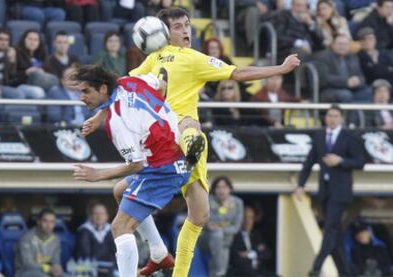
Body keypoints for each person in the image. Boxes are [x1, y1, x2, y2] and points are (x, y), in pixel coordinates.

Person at [85, 7, 300, 277]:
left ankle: (158, 252)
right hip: (179, 142)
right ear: (164, 32)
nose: (186, 30)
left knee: (121, 191)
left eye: (187, 24)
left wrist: (99, 115)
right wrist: (280, 68)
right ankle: (173, 265)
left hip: (158, 145)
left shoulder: (151, 60)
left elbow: (122, 87)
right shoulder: (191, 59)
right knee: (197, 208)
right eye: (178, 26)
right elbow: (239, 73)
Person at [71, 64, 190, 277]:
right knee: (119, 191)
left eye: (86, 91)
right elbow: (161, 86)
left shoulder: (118, 121)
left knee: (119, 227)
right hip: (177, 152)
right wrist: (100, 114)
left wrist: (97, 175)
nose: (81, 97)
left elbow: (137, 165)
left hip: (163, 169)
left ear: (103, 89)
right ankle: (159, 252)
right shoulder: (129, 81)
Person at [294, 105, 365, 276]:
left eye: (335, 115)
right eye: (329, 115)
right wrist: (301, 184)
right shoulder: (319, 137)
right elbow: (309, 162)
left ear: (341, 118)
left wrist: (341, 161)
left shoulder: (349, 137)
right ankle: (346, 272)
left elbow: (360, 162)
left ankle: (316, 267)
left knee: (330, 228)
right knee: (336, 233)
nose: (332, 119)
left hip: (341, 191)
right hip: (325, 191)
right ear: (325, 118)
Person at [314, 33, 372, 103]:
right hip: (329, 90)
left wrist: (358, 81)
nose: (342, 47)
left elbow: (361, 76)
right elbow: (325, 79)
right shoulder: (323, 57)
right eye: (340, 44)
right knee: (346, 95)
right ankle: (352, 114)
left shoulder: (353, 57)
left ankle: (363, 114)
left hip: (352, 89)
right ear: (333, 45)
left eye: (345, 44)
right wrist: (346, 82)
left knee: (369, 92)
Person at [205, 176, 244, 277]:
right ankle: (219, 269)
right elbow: (208, 224)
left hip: (226, 241)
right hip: (207, 240)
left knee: (217, 272)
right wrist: (222, 209)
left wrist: (220, 228)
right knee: (217, 235)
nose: (221, 190)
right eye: (218, 187)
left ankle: (219, 270)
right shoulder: (208, 200)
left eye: (224, 187)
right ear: (214, 189)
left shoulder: (238, 203)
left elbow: (236, 227)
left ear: (230, 189)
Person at [15, 208, 63, 277]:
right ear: (38, 221)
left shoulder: (56, 239)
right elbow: (27, 264)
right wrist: (48, 268)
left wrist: (57, 268)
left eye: (52, 222)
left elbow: (56, 261)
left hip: (46, 272)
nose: (48, 225)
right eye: (45, 221)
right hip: (25, 272)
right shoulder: (27, 238)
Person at [227, 205, 273, 277]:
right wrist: (258, 253)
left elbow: (267, 253)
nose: (248, 221)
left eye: (251, 218)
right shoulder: (233, 236)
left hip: (258, 271)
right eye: (245, 217)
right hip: (241, 273)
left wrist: (250, 254)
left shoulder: (256, 235)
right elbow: (236, 259)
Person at [16, 29, 58, 93]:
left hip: (40, 83)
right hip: (22, 85)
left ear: (39, 42)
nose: (32, 42)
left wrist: (42, 71)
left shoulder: (42, 54)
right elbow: (12, 76)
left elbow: (50, 72)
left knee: (55, 89)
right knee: (38, 92)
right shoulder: (16, 53)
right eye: (30, 39)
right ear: (24, 40)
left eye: (35, 40)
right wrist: (26, 72)